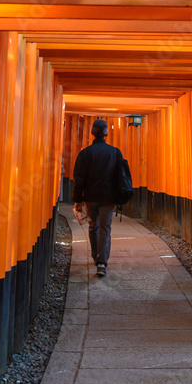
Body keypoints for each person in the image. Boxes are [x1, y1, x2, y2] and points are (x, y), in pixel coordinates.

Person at [72, 118, 123, 277]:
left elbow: (79, 178)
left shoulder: (85, 153)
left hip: (91, 197)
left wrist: (77, 199)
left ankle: (95, 256)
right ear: (106, 133)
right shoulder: (115, 152)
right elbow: (121, 176)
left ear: (93, 133)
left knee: (93, 226)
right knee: (105, 229)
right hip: (108, 197)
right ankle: (101, 262)